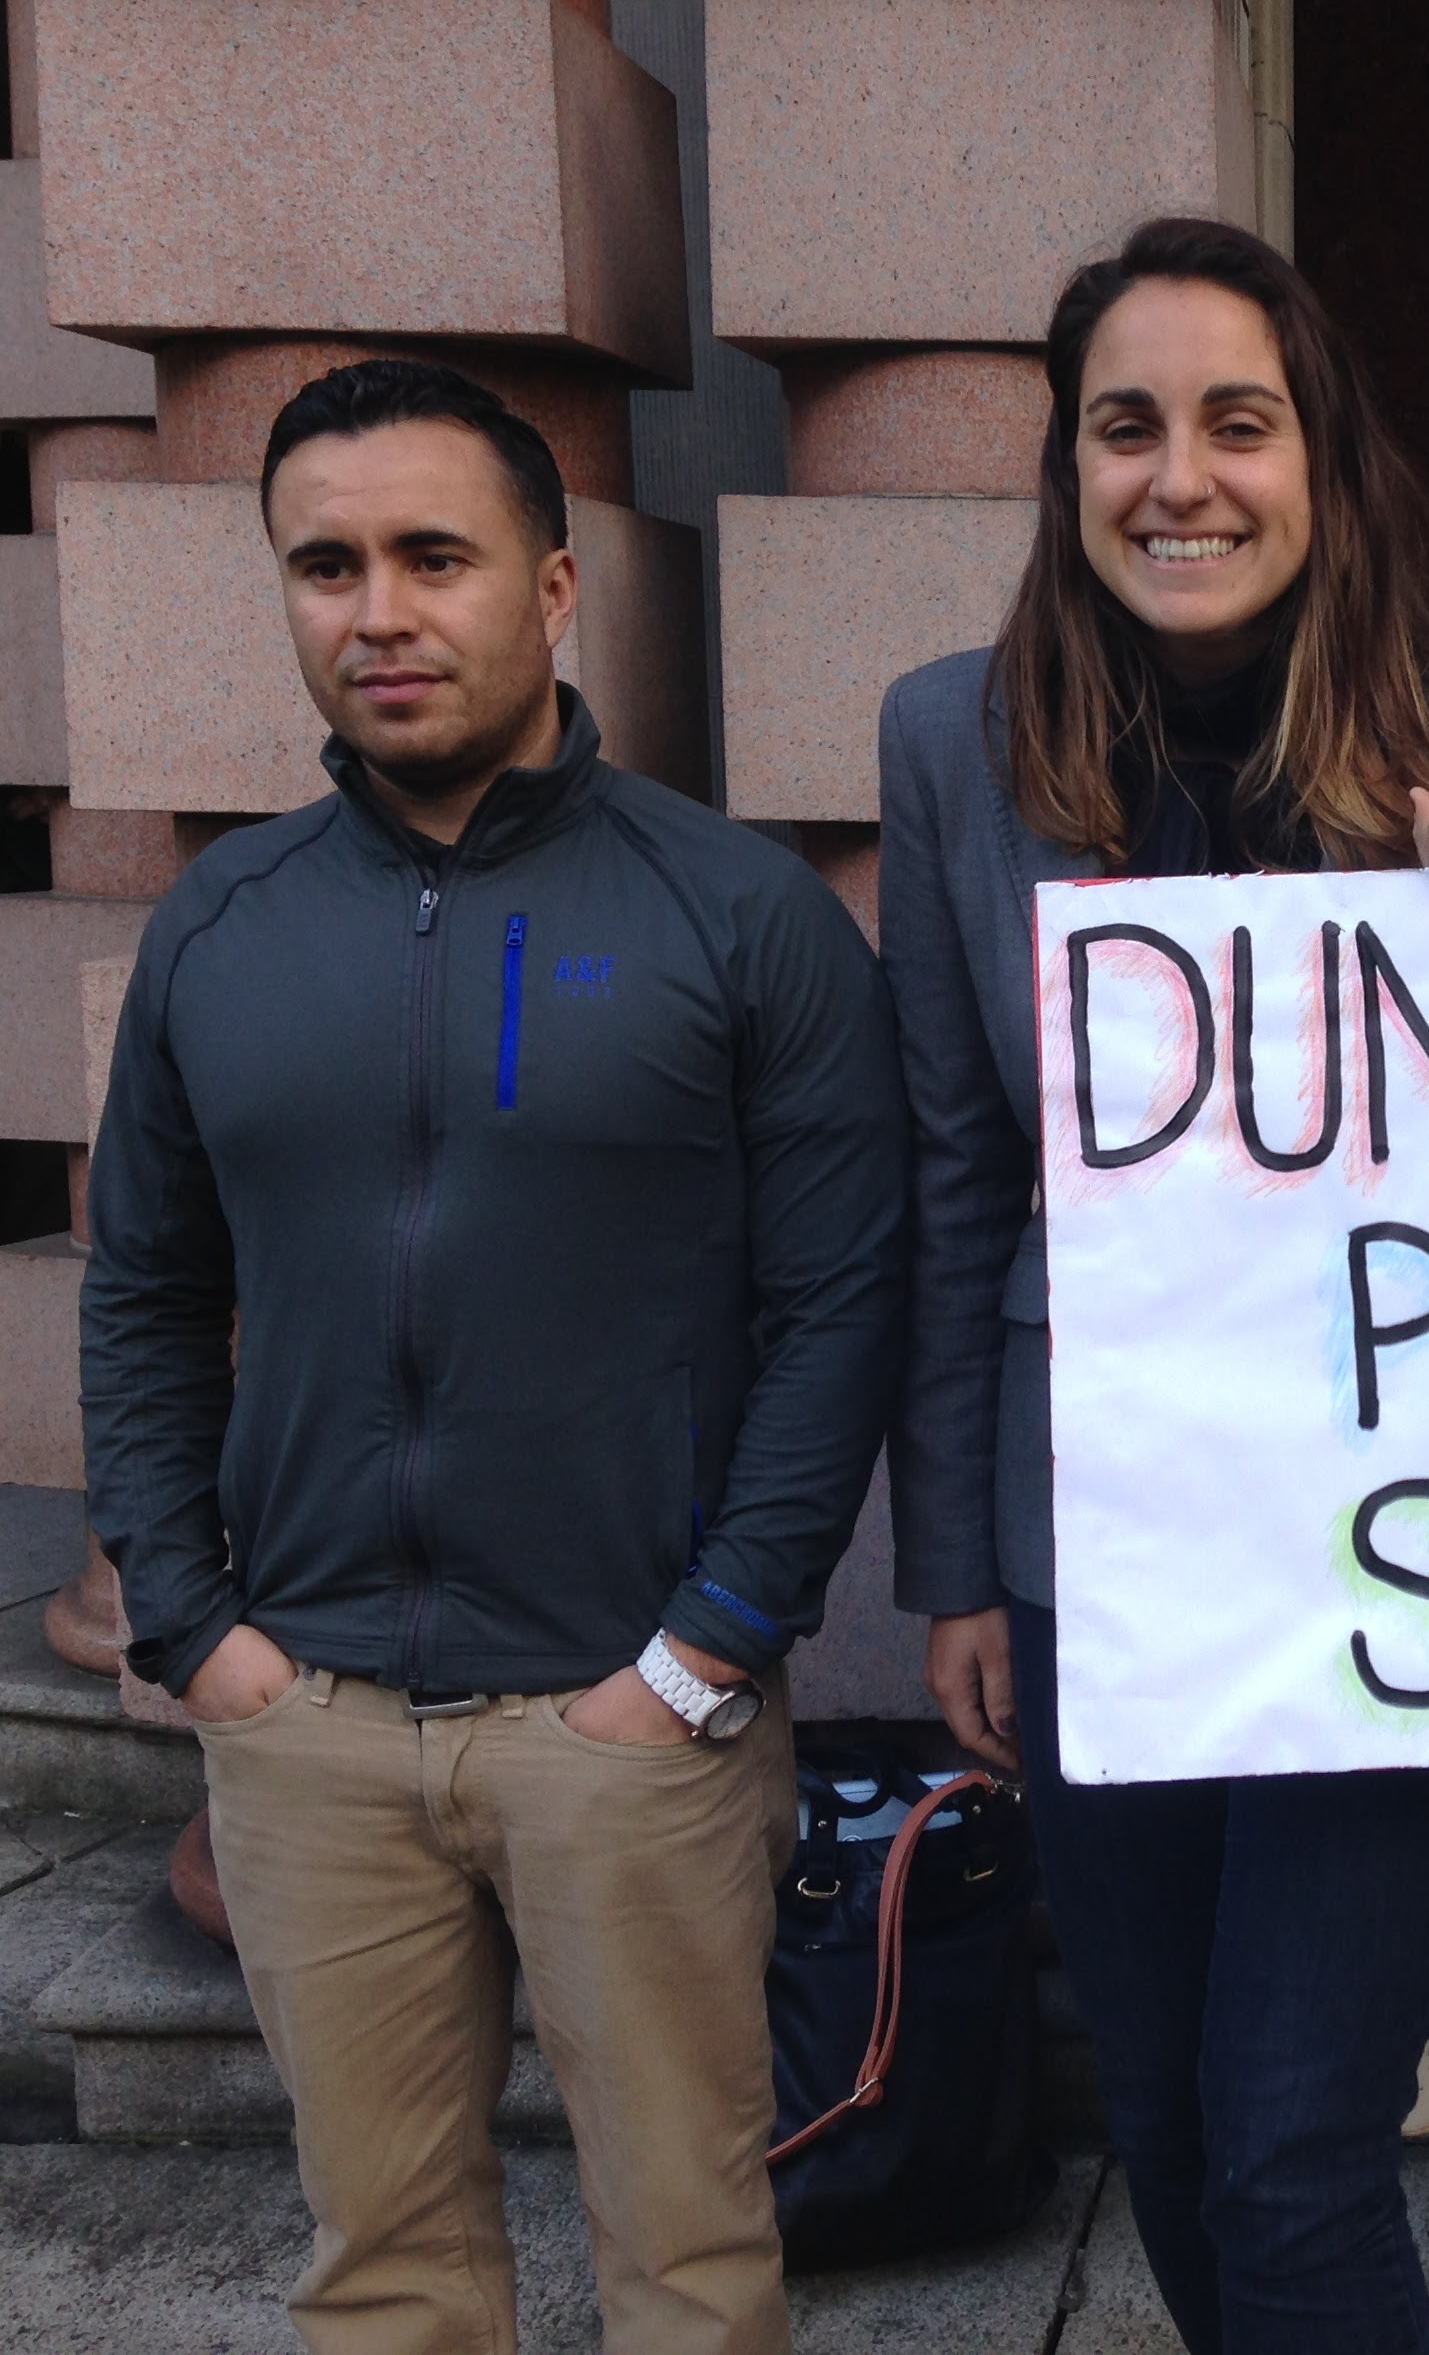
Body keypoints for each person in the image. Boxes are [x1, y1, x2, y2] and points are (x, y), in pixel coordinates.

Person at [79, 360, 908, 2353]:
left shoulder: (740, 917)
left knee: (691, 2269)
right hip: (310, 1720)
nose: (379, 612)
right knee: (382, 2277)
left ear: (551, 588)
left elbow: (843, 1305)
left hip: (629, 1724)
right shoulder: (222, 926)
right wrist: (197, 1631)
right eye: (327, 566)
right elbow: (146, 1289)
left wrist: (708, 1647)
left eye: (432, 557)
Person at [883, 216, 1429, 2355]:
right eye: (1126, 427)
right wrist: (958, 1566)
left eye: (1237, 423)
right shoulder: (948, 739)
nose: (1180, 478)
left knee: (1292, 2142)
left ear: (1320, 461)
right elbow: (956, 1169)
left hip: (1408, 1537)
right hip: (1103, 1539)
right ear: (1068, 468)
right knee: (1172, 2125)